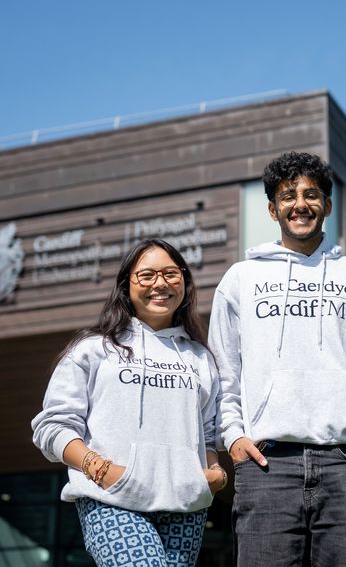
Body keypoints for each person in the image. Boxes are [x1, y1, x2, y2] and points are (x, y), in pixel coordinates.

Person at [209, 151, 346, 566]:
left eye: (311, 194)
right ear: (272, 208)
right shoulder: (241, 279)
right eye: (287, 196)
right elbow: (223, 373)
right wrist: (233, 438)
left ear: (328, 206)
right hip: (266, 465)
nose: (300, 204)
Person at [32, 239, 225, 567]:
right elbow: (52, 426)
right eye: (146, 275)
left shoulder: (200, 357)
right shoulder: (94, 348)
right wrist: (103, 471)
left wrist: (214, 472)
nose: (160, 284)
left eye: (170, 274)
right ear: (126, 286)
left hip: (186, 505)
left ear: (185, 281)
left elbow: (206, 433)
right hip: (112, 499)